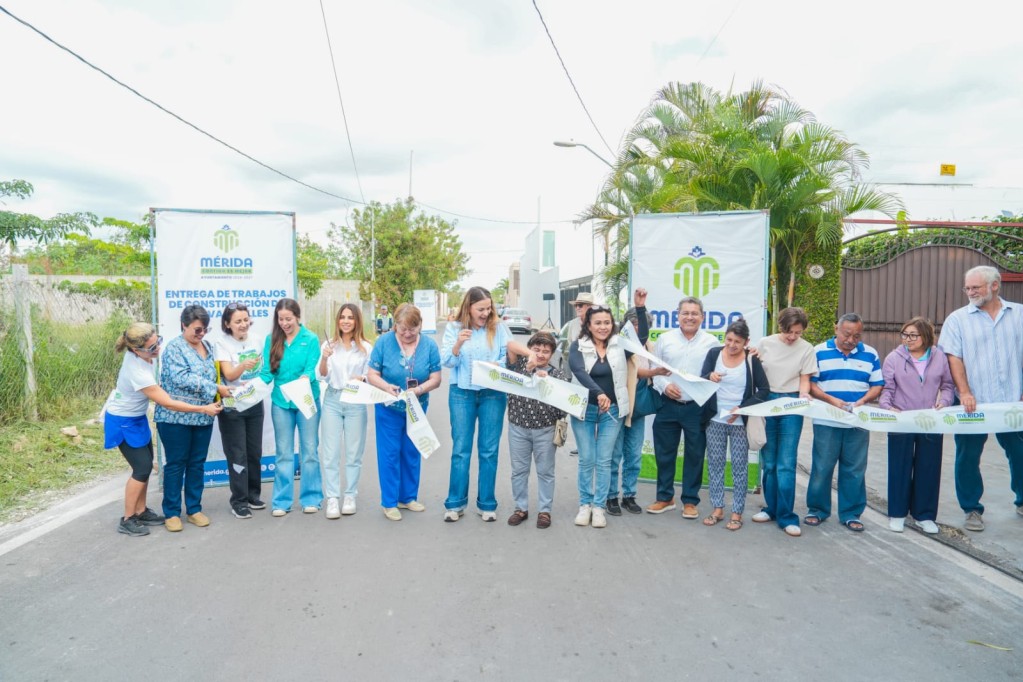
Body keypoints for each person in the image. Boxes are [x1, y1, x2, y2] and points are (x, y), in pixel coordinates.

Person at [104, 323, 222, 536]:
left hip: (137, 418)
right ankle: (128, 518)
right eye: (151, 348)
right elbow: (167, 402)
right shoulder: (136, 369)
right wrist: (202, 408)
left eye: (157, 341)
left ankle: (141, 511)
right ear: (135, 350)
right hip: (122, 420)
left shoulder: (144, 354)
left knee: (147, 467)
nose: (157, 348)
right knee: (140, 469)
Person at [940, 265, 1023, 532]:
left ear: (994, 286)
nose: (970, 292)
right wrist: (964, 392)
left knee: (1020, 453)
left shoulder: (1020, 315)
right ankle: (972, 509)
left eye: (975, 287)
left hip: (1012, 401)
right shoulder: (957, 319)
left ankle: (1022, 501)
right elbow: (954, 357)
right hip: (972, 403)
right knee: (968, 456)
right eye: (967, 287)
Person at [441, 286, 532, 523]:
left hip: (493, 393)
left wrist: (521, 357)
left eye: (488, 308)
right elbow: (448, 362)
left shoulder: (498, 328)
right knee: (461, 449)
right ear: (468, 307)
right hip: (462, 393)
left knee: (489, 450)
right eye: (480, 309)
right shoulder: (454, 328)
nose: (485, 313)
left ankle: (487, 503)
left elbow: (509, 349)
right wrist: (458, 344)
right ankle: (455, 503)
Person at [568, 288, 650, 528]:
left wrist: (640, 307)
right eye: (598, 323)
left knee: (604, 460)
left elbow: (642, 337)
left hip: (612, 412)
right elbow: (579, 371)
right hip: (585, 409)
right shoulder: (578, 346)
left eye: (607, 322)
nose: (603, 326)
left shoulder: (620, 345)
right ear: (589, 325)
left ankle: (599, 507)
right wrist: (599, 393)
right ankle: (585, 504)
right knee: (587, 459)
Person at [154, 305, 233, 532]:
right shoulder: (174, 348)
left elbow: (214, 374)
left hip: (203, 417)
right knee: (176, 464)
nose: (201, 334)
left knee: (197, 464)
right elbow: (182, 379)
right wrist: (215, 386)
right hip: (175, 417)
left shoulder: (207, 346)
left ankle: (194, 509)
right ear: (184, 325)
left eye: (205, 330)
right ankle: (171, 512)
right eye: (197, 330)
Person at [806, 313, 883, 532]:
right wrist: (830, 400)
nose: (850, 340)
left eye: (856, 336)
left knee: (855, 469)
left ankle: (851, 513)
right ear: (836, 329)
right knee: (822, 467)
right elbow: (811, 384)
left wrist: (864, 400)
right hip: (826, 420)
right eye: (846, 334)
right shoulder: (819, 351)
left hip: (857, 422)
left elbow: (877, 385)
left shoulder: (870, 354)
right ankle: (817, 510)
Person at [879, 317, 955, 534]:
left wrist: (945, 401)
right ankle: (897, 514)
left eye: (913, 335)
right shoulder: (894, 358)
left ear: (926, 337)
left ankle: (925, 515)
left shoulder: (939, 357)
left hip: (930, 420)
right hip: (902, 420)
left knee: (929, 467)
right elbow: (887, 388)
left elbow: (948, 386)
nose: (908, 339)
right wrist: (887, 406)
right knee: (899, 467)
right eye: (905, 334)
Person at [367, 303, 441, 521]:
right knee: (389, 454)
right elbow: (372, 374)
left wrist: (419, 390)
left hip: (416, 406)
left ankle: (408, 497)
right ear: (395, 326)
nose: (408, 334)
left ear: (420, 325)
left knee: (411, 451)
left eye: (413, 329)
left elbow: (436, 379)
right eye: (403, 330)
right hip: (388, 406)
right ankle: (389, 502)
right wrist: (385, 386)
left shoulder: (429, 345)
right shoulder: (383, 343)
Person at [647, 297, 720, 518]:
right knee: (664, 453)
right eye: (685, 313)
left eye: (694, 313)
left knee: (695, 454)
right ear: (677, 315)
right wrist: (665, 385)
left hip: (697, 407)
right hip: (668, 404)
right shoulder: (665, 339)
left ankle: (690, 500)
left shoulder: (712, 343)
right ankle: (665, 497)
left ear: (702, 317)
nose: (689, 317)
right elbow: (654, 367)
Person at [752, 307, 817, 537]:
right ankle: (771, 508)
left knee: (786, 463)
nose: (792, 337)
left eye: (797, 333)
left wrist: (804, 394)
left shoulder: (806, 348)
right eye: (789, 332)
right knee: (769, 463)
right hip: (767, 401)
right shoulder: (765, 343)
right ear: (781, 327)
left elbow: (805, 378)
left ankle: (787, 516)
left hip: (791, 402)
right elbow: (754, 370)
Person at [699, 319, 770, 531]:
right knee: (715, 465)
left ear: (746, 342)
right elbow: (701, 379)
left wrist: (740, 408)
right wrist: (709, 376)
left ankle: (737, 512)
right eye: (729, 339)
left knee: (740, 468)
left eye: (737, 342)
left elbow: (764, 390)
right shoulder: (714, 354)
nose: (731, 345)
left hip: (740, 422)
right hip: (715, 420)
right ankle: (718, 508)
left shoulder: (751, 359)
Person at [260, 298, 323, 517]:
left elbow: (311, 368)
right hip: (281, 403)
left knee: (309, 451)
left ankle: (312, 497)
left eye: (288, 319)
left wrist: (305, 378)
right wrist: (250, 388)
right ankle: (281, 501)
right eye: (280, 319)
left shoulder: (311, 339)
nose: (284, 323)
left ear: (297, 317)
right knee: (284, 453)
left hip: (306, 400)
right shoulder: (272, 339)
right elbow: (267, 372)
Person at [607, 307, 668, 516]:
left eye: (640, 325)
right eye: (632, 324)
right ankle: (611, 496)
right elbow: (635, 372)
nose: (636, 328)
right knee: (614, 455)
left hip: (638, 406)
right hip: (619, 403)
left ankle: (630, 495)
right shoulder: (617, 344)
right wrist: (653, 372)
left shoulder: (650, 346)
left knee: (633, 454)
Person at [505, 331, 567, 529]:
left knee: (546, 472)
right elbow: (510, 344)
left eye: (546, 351)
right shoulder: (518, 365)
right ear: (530, 349)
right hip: (518, 428)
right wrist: (529, 365)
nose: (541, 354)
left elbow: (564, 406)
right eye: (536, 349)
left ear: (552, 354)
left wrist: (547, 383)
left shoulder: (557, 375)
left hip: (545, 430)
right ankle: (520, 508)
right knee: (519, 471)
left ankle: (545, 511)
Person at [318, 303, 373, 519]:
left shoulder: (366, 348)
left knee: (353, 452)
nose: (346, 321)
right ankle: (332, 498)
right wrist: (324, 356)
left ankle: (350, 495)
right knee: (330, 452)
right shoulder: (329, 345)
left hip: (355, 400)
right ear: (337, 320)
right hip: (332, 398)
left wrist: (362, 378)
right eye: (343, 317)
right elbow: (322, 375)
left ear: (357, 321)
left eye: (351, 317)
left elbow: (371, 375)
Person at [214, 302, 266, 520]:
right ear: (228, 324)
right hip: (232, 404)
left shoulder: (257, 340)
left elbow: (264, 369)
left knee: (254, 451)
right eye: (238, 321)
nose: (243, 324)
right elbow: (229, 374)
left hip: (254, 402)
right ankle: (239, 501)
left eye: (246, 320)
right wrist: (244, 366)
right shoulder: (221, 343)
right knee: (237, 453)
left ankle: (253, 495)